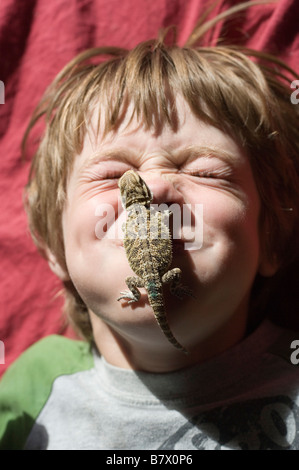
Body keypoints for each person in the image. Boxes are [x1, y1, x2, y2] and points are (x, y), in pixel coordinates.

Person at [0, 2, 299, 450]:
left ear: (272, 238)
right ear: (56, 248)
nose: (156, 190)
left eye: (203, 170)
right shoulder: (34, 381)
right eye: (109, 175)